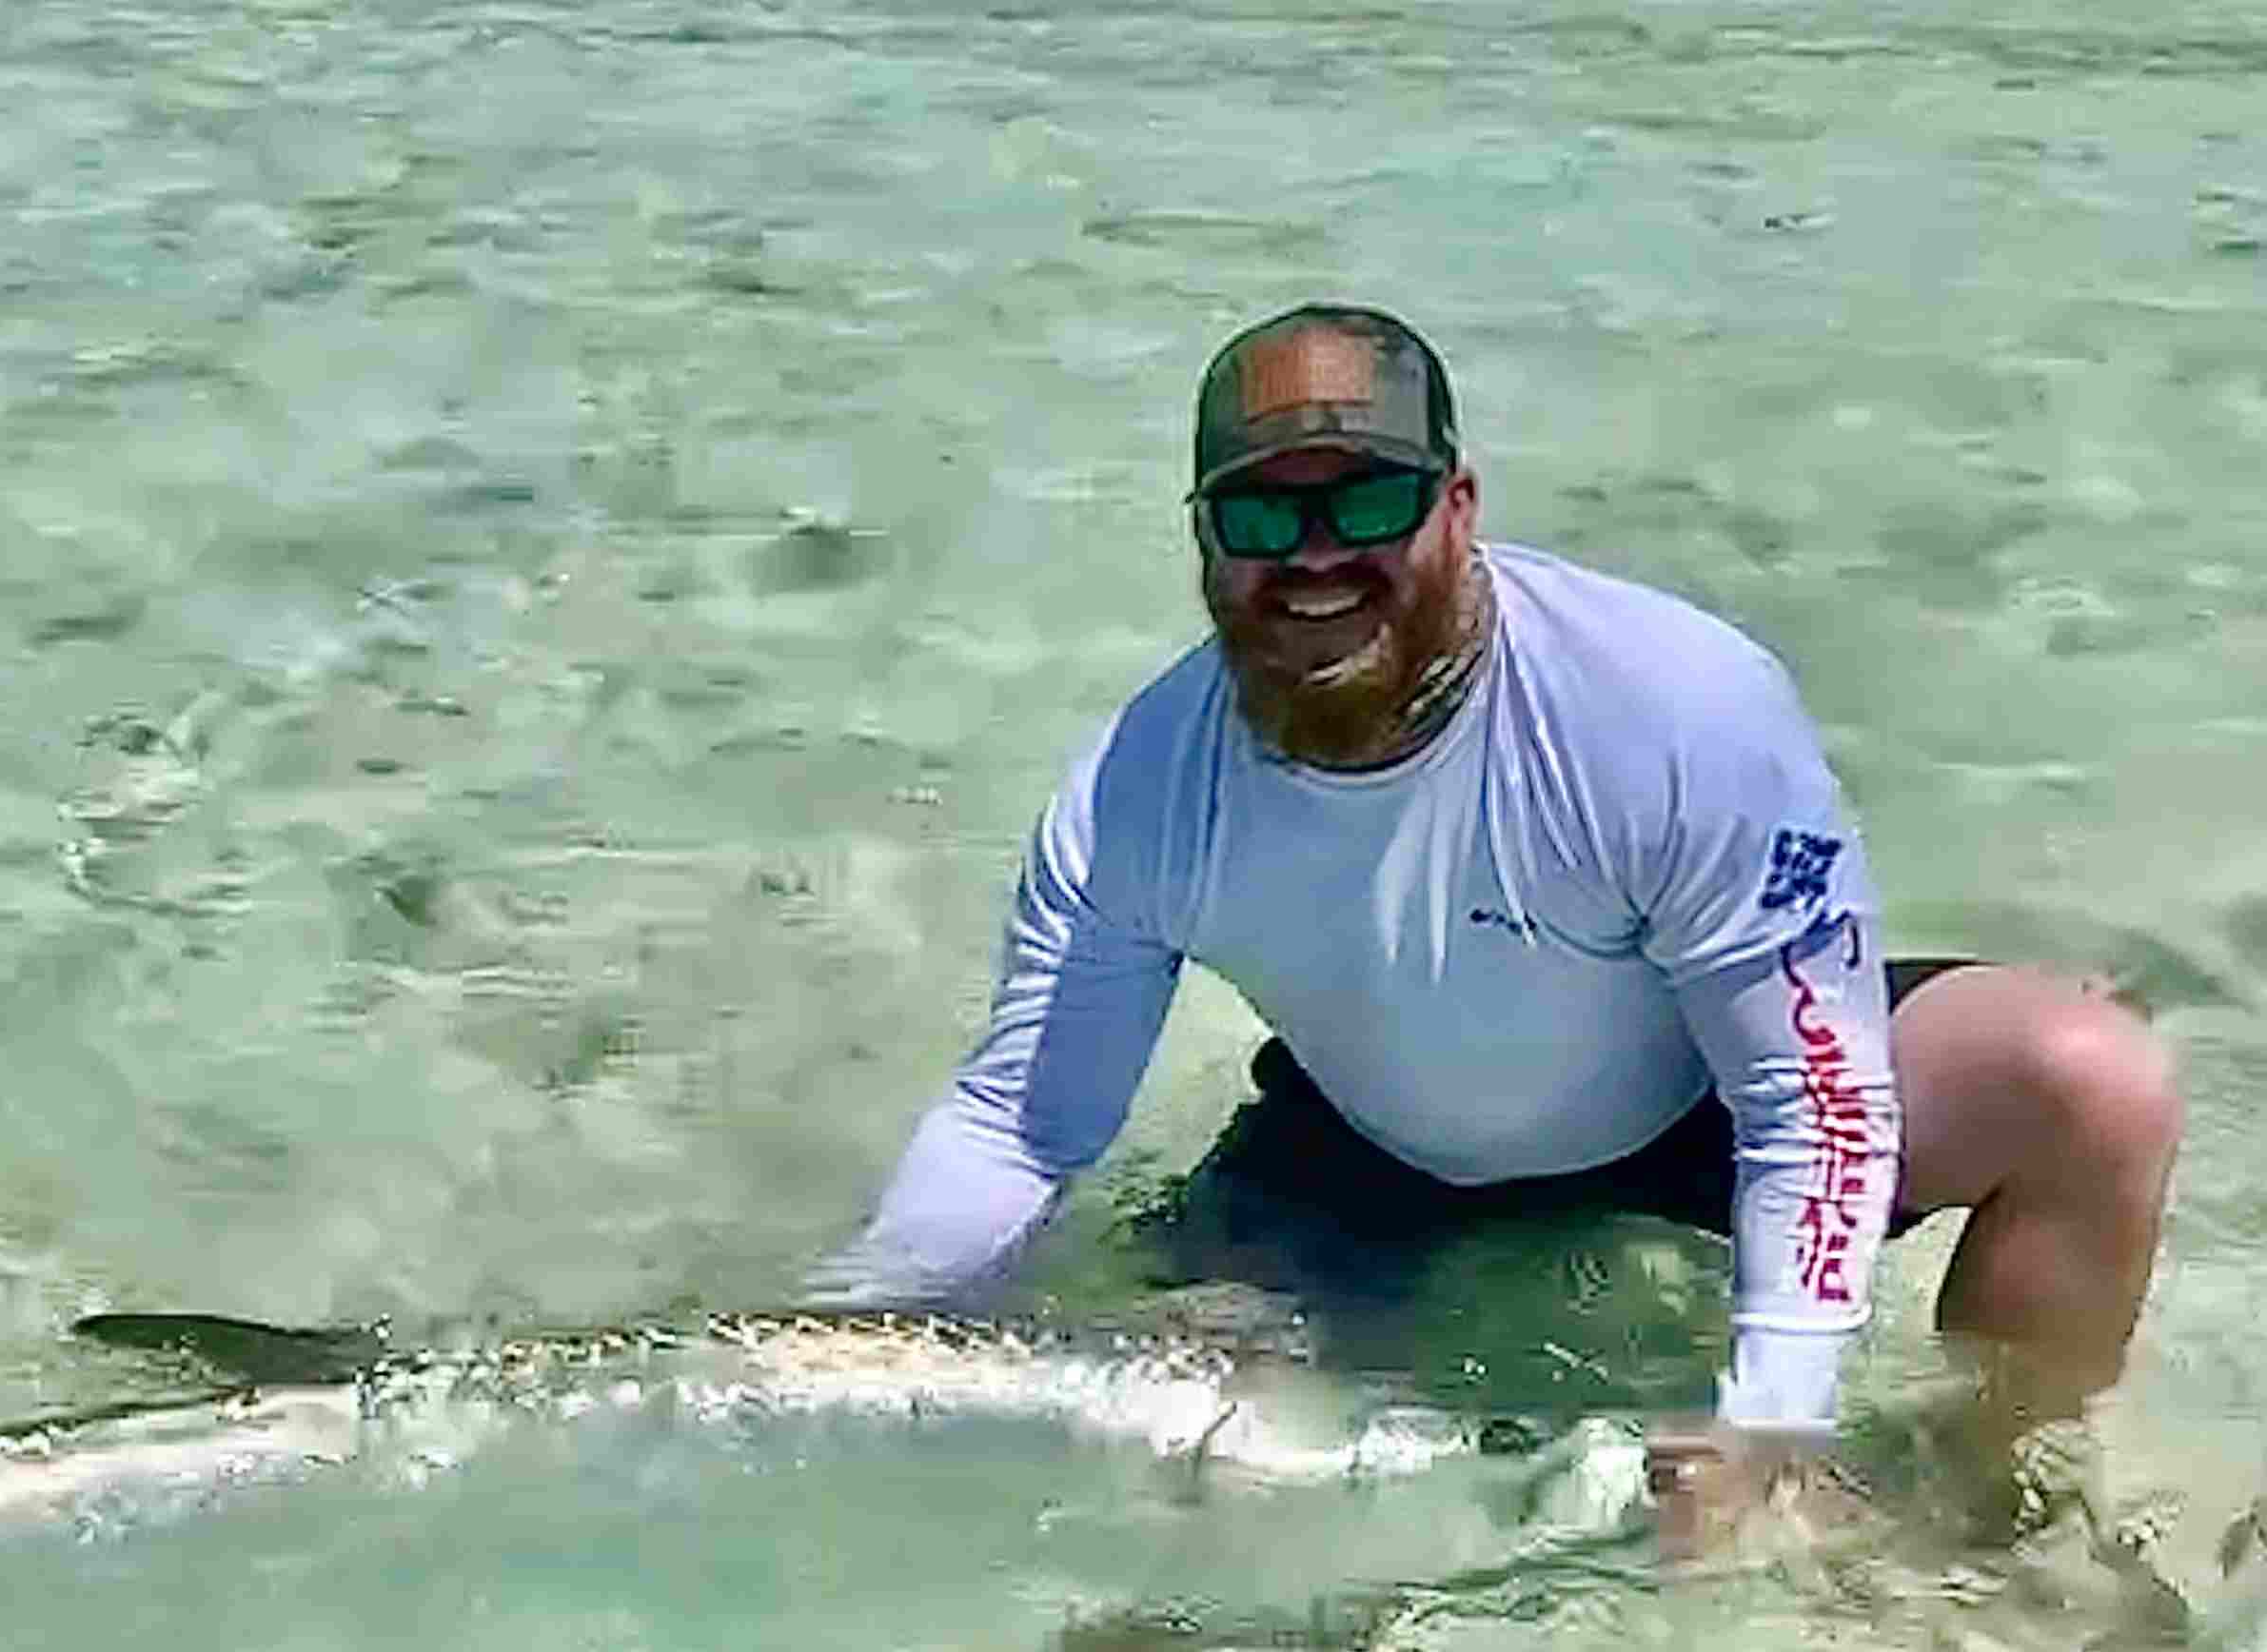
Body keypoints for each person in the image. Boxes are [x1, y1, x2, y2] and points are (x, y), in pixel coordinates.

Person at [818, 304, 2182, 1546]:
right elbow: (1023, 1124)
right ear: (1200, 539)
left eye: (1367, 498)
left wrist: (1775, 1412)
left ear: (1457, 505)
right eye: (1261, 518)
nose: (1315, 560)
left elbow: (1805, 1098)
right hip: (1357, 1160)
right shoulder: (1137, 789)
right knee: (1168, 1475)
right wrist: (848, 1327)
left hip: (1691, 1100)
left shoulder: (1672, 708)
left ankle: (1988, 1515)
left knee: (2089, 1082)